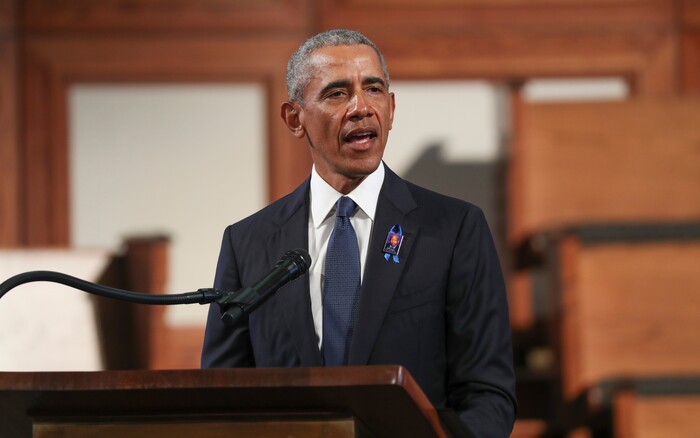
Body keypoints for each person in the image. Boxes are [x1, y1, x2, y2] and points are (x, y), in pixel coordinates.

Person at [201, 29, 517, 437]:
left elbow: (488, 394)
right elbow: (221, 398)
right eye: (337, 93)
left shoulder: (453, 229)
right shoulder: (248, 243)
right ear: (294, 119)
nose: (361, 108)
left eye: (373, 89)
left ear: (392, 107)